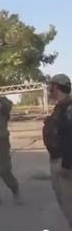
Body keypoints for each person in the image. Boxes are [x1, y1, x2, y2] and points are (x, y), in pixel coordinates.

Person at [42, 74, 72, 228]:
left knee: (69, 205)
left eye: (51, 86)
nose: (49, 90)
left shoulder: (68, 108)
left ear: (57, 87)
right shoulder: (61, 107)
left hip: (64, 163)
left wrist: (66, 165)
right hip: (59, 160)